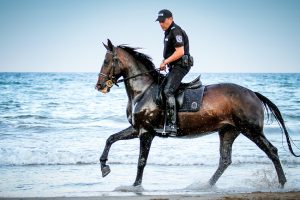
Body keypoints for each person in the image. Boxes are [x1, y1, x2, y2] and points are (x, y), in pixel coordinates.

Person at [156, 9, 193, 135]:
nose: (161, 24)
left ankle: (172, 125)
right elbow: (172, 53)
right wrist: (165, 61)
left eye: (163, 21)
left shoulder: (175, 30)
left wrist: (165, 62)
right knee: (161, 88)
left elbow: (180, 52)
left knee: (168, 91)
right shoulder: (167, 32)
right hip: (174, 65)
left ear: (170, 19)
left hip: (181, 65)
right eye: (159, 22)